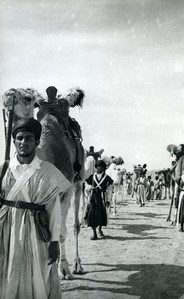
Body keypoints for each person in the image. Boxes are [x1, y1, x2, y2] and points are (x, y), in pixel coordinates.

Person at [0, 118, 71, 299]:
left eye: (29, 138)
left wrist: (55, 241)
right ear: (14, 141)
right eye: (20, 138)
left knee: (39, 275)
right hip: (7, 232)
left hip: (37, 231)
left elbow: (53, 209)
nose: (24, 142)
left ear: (37, 142)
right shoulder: (4, 169)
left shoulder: (47, 171)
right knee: (7, 274)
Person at [84, 160, 113, 240]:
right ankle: (94, 233)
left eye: (101, 167)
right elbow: (86, 184)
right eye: (98, 166)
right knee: (91, 214)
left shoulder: (107, 178)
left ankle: (100, 230)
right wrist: (90, 188)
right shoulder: (92, 176)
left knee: (101, 214)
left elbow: (109, 190)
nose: (99, 168)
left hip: (102, 198)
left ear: (104, 168)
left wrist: (108, 200)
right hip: (93, 197)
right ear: (96, 167)